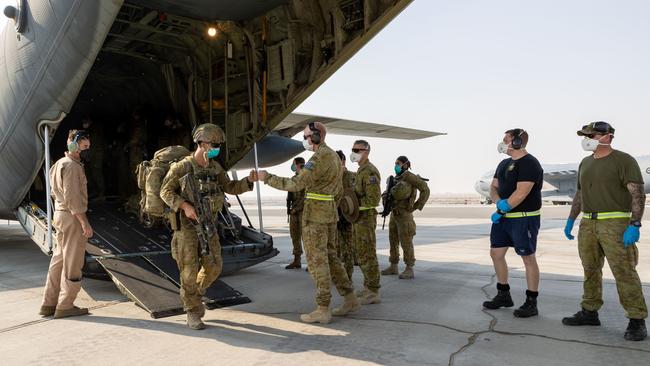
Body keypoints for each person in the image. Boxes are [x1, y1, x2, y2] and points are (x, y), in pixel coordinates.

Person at [257, 122, 360, 324]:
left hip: (315, 219)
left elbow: (295, 184)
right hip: (329, 216)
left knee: (317, 262)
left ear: (315, 136)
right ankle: (350, 299)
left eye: (306, 136)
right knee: (332, 258)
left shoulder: (319, 157)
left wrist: (267, 177)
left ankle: (323, 308)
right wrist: (329, 206)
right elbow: (339, 191)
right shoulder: (332, 157)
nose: (304, 140)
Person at [160, 123, 255, 330]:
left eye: (218, 145)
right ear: (202, 143)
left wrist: (248, 181)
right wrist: (184, 206)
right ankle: (193, 311)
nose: (216, 148)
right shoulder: (182, 167)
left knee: (214, 266)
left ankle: (196, 292)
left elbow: (229, 187)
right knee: (188, 271)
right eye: (213, 144)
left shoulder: (215, 167)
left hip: (209, 224)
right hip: (187, 227)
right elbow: (165, 192)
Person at [562, 121, 647, 341]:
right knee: (590, 269)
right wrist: (571, 219)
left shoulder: (623, 160)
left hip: (615, 224)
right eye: (585, 135)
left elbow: (638, 194)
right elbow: (580, 194)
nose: (586, 139)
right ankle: (589, 311)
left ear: (607, 137)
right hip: (588, 224)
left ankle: (637, 320)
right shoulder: (585, 163)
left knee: (624, 272)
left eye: (591, 135)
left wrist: (634, 224)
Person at [483, 129, 543, 318]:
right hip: (504, 219)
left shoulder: (530, 163)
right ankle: (503, 294)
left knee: (528, 258)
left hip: (523, 218)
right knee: (496, 253)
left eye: (505, 139)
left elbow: (522, 192)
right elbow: (493, 187)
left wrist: (502, 208)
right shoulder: (504, 163)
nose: (502, 142)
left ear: (516, 142)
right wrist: (498, 202)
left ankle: (531, 302)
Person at [40, 130, 94, 319]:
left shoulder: (58, 164)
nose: (88, 150)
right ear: (74, 145)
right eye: (85, 146)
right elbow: (72, 198)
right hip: (72, 218)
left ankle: (49, 303)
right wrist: (84, 223)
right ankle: (66, 304)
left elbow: (56, 193)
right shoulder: (72, 166)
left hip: (61, 215)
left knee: (59, 259)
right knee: (73, 262)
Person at [380, 156, 430, 279]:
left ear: (406, 165)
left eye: (398, 163)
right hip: (394, 213)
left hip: (404, 215)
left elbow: (425, 189)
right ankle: (393, 265)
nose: (396, 166)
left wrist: (417, 206)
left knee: (406, 241)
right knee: (393, 240)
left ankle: (409, 268)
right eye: (395, 163)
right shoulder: (395, 178)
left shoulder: (410, 177)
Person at [349, 140, 382, 305]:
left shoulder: (369, 172)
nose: (354, 152)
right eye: (353, 149)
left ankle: (373, 291)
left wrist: (355, 206)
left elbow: (374, 199)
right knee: (361, 254)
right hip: (358, 219)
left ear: (366, 152)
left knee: (368, 253)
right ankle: (368, 286)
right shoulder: (360, 171)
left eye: (357, 150)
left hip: (366, 219)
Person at [336, 150, 355, 280]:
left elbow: (355, 197)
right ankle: (337, 275)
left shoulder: (351, 177)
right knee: (334, 249)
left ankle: (348, 276)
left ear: (343, 161)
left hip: (346, 218)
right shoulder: (331, 177)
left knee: (347, 249)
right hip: (333, 218)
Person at [285, 157, 306, 269]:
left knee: (306, 237)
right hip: (294, 212)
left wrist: (296, 209)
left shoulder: (306, 178)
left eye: (293, 164)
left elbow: (305, 198)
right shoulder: (293, 178)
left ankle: (311, 262)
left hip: (303, 212)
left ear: (297, 165)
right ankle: (297, 260)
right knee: (295, 236)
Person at [80, 116, 106, 200]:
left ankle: (101, 194)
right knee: (90, 174)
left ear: (90, 122)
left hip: (96, 156)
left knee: (97, 174)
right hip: (92, 155)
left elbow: (94, 146)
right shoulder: (89, 131)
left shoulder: (95, 132)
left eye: (86, 122)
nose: (84, 124)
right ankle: (95, 192)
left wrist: (88, 156)